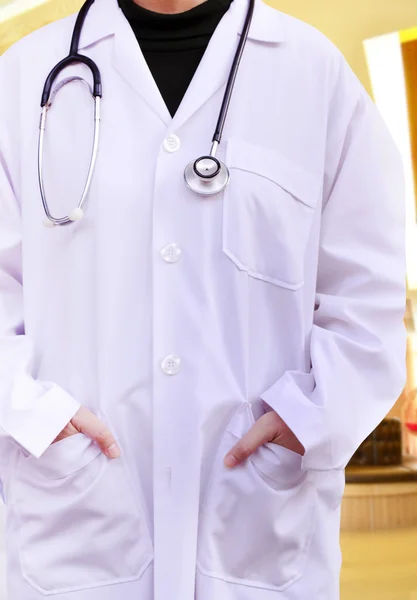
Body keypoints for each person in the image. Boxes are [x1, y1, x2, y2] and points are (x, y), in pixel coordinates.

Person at [0, 0, 406, 597]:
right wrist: (34, 413)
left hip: (258, 529)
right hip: (76, 525)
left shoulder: (314, 75)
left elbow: (367, 294)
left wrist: (307, 419)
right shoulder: (25, 76)